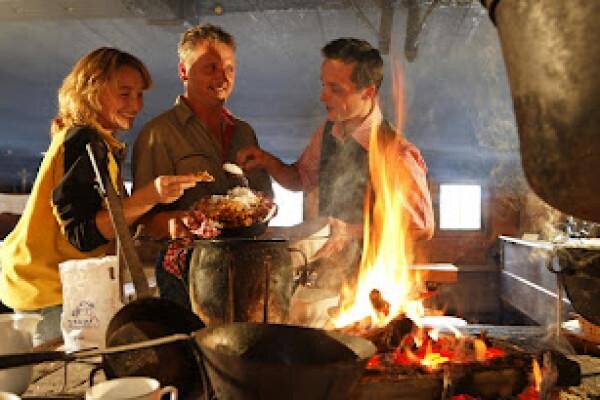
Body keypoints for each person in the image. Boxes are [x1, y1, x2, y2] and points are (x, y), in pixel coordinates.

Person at [0, 47, 199, 344]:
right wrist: (151, 195)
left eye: (139, 94)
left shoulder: (101, 145)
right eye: (124, 93)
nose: (135, 104)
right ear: (92, 89)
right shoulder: (83, 141)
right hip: (46, 288)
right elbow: (84, 234)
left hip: (58, 285)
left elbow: (110, 222)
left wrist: (157, 212)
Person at [237, 38, 434, 288]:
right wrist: (266, 161)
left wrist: (350, 231)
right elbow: (300, 179)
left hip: (373, 286)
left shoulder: (397, 153)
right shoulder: (328, 132)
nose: (322, 96)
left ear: (368, 92)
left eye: (335, 89)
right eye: (323, 85)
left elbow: (421, 227)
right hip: (327, 278)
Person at [132, 24, 273, 307]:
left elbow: (264, 200)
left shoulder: (244, 132)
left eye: (230, 69)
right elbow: (142, 219)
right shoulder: (158, 134)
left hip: (245, 265)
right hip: (187, 271)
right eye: (210, 68)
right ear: (184, 71)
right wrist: (174, 222)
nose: (222, 78)